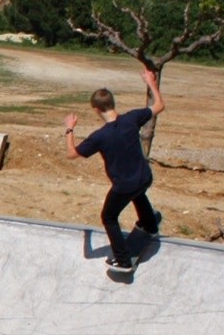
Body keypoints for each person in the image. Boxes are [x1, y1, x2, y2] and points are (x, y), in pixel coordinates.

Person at [66, 65, 165, 271]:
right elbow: (159, 105)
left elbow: (72, 154)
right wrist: (151, 83)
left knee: (109, 217)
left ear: (96, 110)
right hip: (144, 177)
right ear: (112, 103)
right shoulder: (132, 118)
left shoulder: (100, 136)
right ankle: (150, 225)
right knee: (138, 192)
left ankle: (122, 259)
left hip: (124, 186)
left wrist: (69, 129)